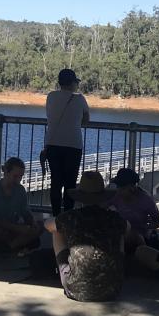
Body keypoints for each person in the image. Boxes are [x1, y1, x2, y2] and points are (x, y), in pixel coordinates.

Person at [44, 171, 127, 302]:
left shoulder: (71, 217)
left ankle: (66, 268)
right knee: (120, 232)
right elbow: (128, 227)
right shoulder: (113, 218)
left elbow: (48, 225)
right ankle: (115, 269)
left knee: (57, 231)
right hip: (113, 289)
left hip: (77, 290)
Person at [44, 68, 90, 215]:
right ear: (72, 83)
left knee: (56, 182)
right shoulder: (80, 99)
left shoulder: (51, 96)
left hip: (52, 144)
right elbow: (86, 120)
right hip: (73, 145)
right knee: (70, 184)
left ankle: (56, 216)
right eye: (76, 82)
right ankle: (68, 216)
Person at [0, 157, 43, 252]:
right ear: (6, 172)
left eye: (20, 177)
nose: (18, 180)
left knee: (40, 227)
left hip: (13, 226)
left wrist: (33, 223)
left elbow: (25, 212)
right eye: (15, 176)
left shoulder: (20, 190)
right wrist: (18, 228)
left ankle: (9, 246)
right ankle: (14, 245)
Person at [109, 167, 159, 249]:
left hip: (142, 238)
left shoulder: (146, 200)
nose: (118, 190)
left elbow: (158, 221)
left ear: (131, 188)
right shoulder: (117, 196)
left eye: (122, 188)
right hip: (123, 236)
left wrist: (145, 227)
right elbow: (103, 206)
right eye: (118, 187)